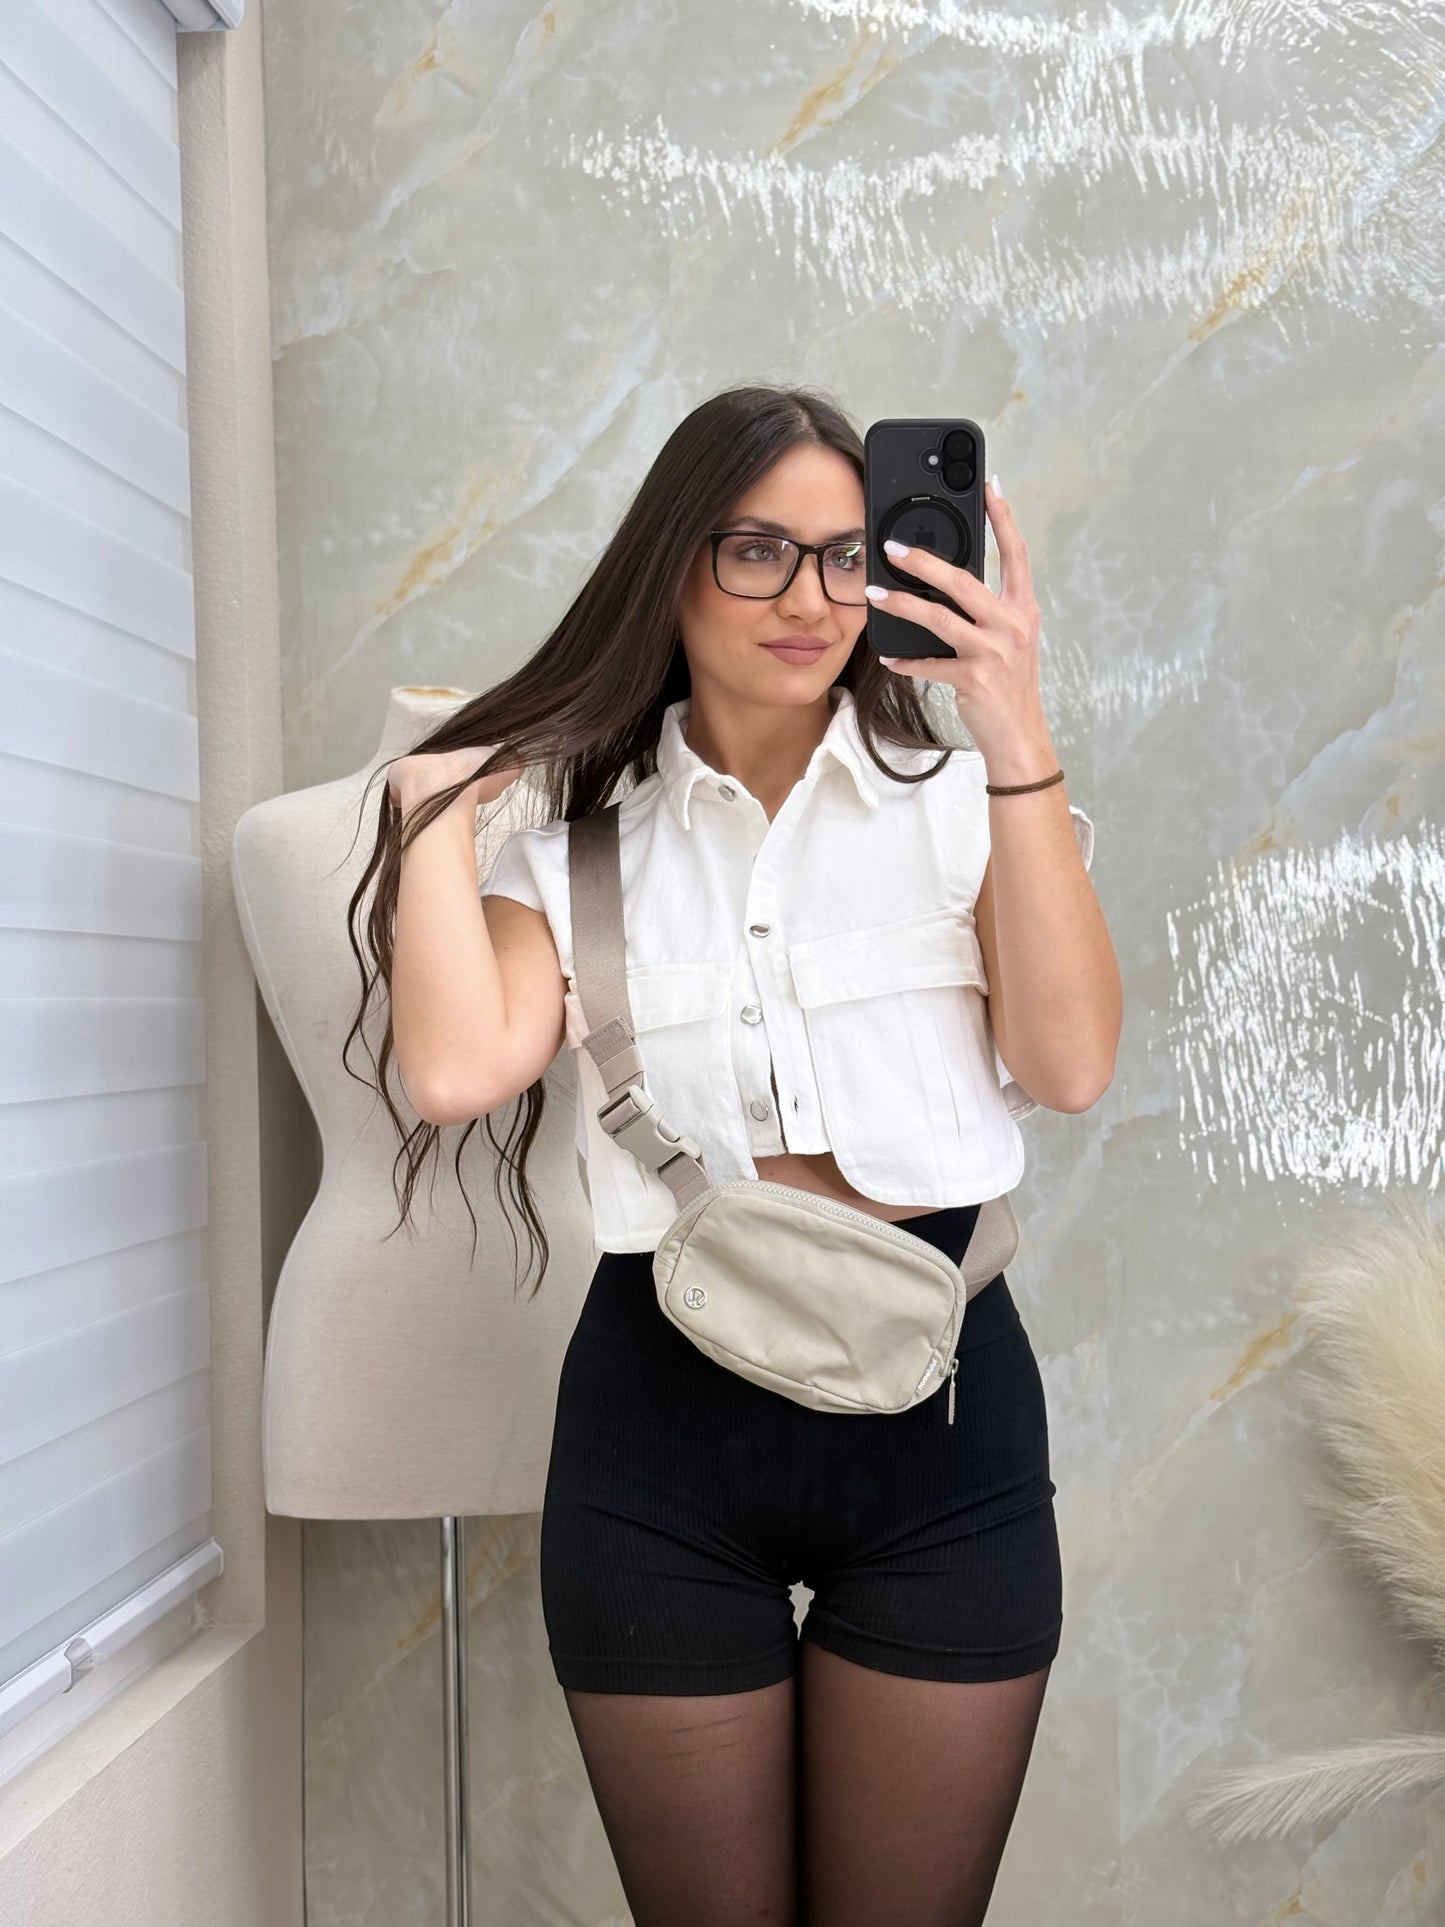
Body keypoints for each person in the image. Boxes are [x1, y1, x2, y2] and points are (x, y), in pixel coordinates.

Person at [365, 384, 1121, 1925]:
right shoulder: (575, 851)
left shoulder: (973, 806)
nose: (810, 599)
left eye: (849, 557)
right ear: (673, 567)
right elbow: (451, 1070)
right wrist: (422, 809)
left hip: (943, 1430)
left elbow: (1069, 1061)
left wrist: (1015, 725)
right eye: (756, 551)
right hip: (660, 1443)